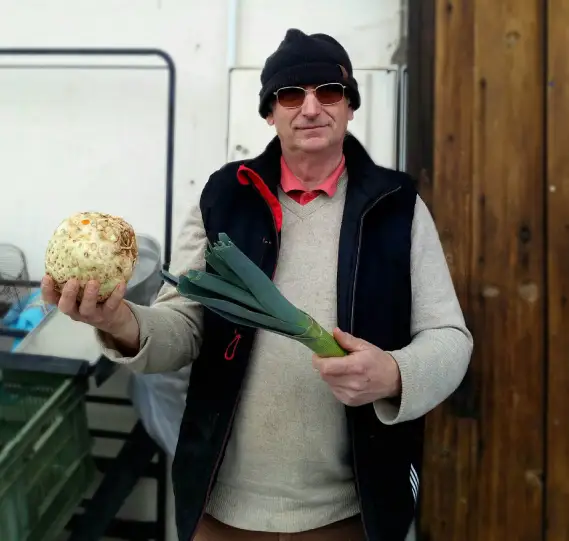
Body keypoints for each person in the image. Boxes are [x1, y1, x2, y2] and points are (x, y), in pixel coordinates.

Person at [41, 28, 473, 541]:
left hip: (350, 515)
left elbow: (450, 338)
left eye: (328, 92)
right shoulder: (225, 197)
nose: (311, 108)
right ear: (270, 113)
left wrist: (395, 373)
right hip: (221, 511)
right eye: (292, 95)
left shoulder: (398, 207)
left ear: (350, 105)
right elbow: (185, 325)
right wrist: (118, 321)